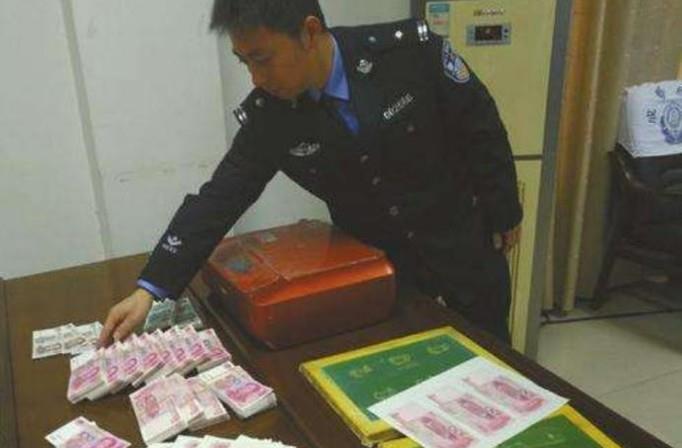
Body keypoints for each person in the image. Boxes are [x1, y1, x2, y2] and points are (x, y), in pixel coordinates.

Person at [99, 0, 521, 348]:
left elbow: (480, 125)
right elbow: (220, 197)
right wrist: (150, 289)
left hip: (464, 254)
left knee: (496, 374)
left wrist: (505, 212)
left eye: (263, 59)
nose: (256, 79)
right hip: (383, 283)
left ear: (309, 31)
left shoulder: (408, 54)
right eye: (245, 62)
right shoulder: (272, 115)